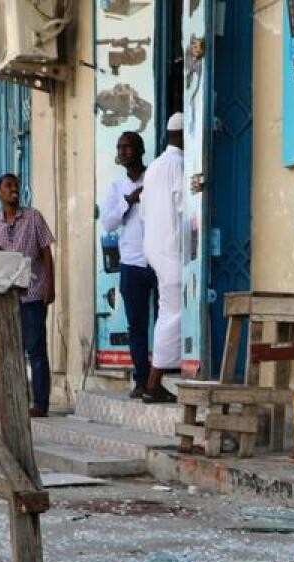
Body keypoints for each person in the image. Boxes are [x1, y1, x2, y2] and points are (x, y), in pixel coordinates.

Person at [0, 173, 57, 418]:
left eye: (16, 185)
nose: (13, 189)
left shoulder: (33, 217)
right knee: (11, 351)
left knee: (36, 349)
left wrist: (50, 285)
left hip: (32, 292)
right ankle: (17, 400)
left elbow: (46, 253)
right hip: (3, 297)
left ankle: (41, 403)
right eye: (8, 186)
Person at [101, 131, 156, 399]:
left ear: (140, 149)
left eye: (128, 147)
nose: (123, 152)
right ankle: (142, 379)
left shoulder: (154, 177)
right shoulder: (116, 188)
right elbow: (108, 223)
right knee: (137, 325)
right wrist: (128, 201)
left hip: (159, 259)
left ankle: (163, 376)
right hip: (132, 263)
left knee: (165, 320)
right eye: (119, 147)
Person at [139, 113, 184, 404]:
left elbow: (144, 211)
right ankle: (153, 383)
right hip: (172, 250)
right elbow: (185, 206)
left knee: (169, 313)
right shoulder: (178, 165)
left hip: (155, 249)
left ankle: (156, 381)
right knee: (174, 314)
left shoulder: (154, 166)